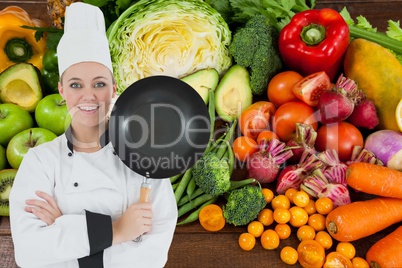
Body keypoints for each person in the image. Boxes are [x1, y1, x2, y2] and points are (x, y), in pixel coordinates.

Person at [9, 3, 178, 268]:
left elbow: (152, 257)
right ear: (61, 90)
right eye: (76, 85)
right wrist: (118, 231)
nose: (89, 96)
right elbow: (29, 254)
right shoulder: (40, 161)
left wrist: (63, 225)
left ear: (113, 88)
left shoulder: (146, 156)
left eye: (99, 84)